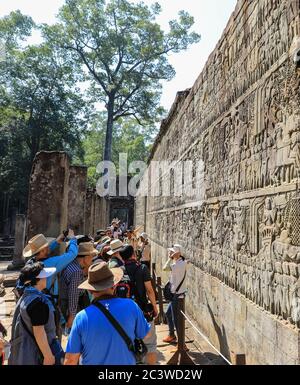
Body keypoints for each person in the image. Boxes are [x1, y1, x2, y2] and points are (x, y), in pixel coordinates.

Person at [64, 262, 150, 365]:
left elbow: (70, 360)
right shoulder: (131, 306)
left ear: (90, 290)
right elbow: (145, 335)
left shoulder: (81, 317)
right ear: (114, 285)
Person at [9, 262, 61, 365]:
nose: (46, 278)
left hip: (25, 352)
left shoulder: (25, 295)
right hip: (35, 354)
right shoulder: (38, 303)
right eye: (44, 276)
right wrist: (48, 356)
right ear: (36, 280)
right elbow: (39, 332)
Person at [119, 245, 158, 365]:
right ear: (133, 254)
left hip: (126, 314)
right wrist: (155, 307)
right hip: (143, 311)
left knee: (130, 344)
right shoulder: (142, 268)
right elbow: (150, 290)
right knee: (150, 344)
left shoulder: (120, 270)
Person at [20, 230, 78, 301]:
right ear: (42, 251)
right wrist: (73, 239)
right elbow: (72, 254)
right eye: (47, 247)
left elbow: (45, 251)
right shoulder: (51, 263)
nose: (49, 247)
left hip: (34, 297)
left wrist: (56, 242)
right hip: (47, 299)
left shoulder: (31, 262)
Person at [60, 242, 97, 331]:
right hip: (70, 306)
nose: (92, 259)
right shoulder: (77, 272)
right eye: (91, 256)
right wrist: (72, 317)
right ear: (85, 258)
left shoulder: (73, 265)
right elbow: (73, 295)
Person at [162, 244, 187, 344]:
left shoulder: (176, 265)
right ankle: (172, 335)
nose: (170, 253)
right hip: (176, 294)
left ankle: (182, 344)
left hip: (177, 295)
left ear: (177, 253)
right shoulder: (181, 262)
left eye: (172, 252)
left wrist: (170, 258)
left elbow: (164, 268)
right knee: (168, 313)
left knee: (176, 319)